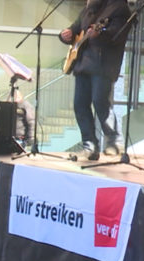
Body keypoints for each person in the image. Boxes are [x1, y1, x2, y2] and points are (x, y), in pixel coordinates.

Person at [59, 0, 131, 161]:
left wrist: (101, 33)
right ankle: (89, 145)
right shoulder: (89, 9)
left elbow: (117, 35)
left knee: (100, 102)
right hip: (82, 64)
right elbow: (76, 28)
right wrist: (67, 34)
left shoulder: (119, 8)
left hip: (103, 64)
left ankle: (114, 141)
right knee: (80, 105)